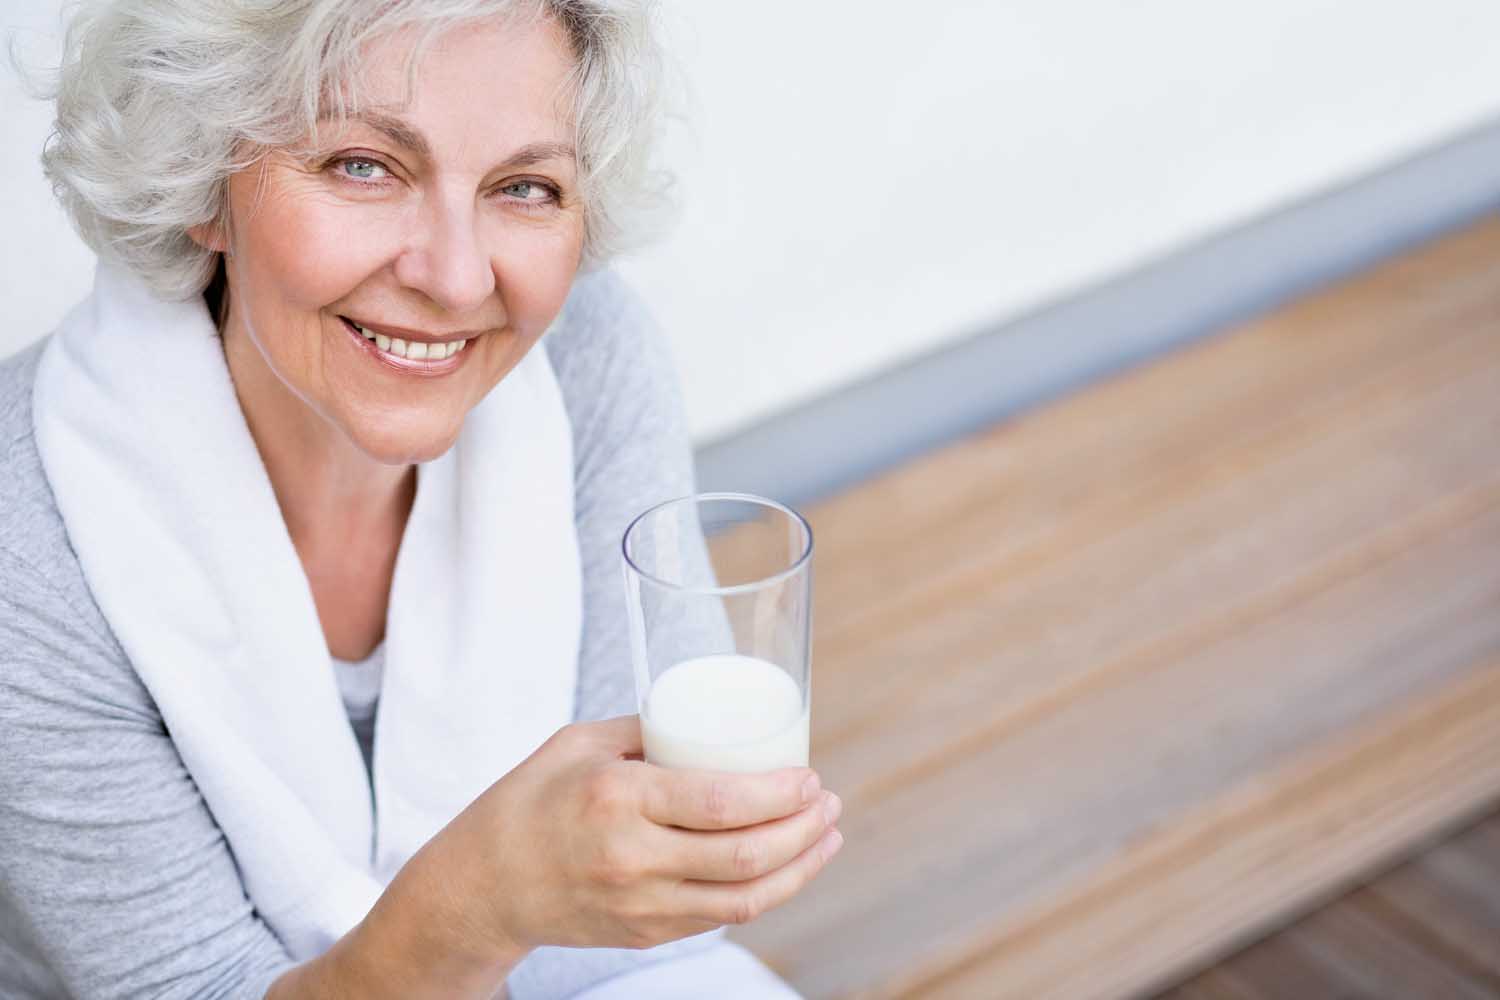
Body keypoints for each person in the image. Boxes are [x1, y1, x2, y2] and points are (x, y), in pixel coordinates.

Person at [0, 1, 843, 997]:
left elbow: (652, 930)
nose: (452, 277)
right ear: (203, 177)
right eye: (363, 165)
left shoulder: (587, 360)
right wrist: (483, 897)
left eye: (525, 186)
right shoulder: (30, 526)